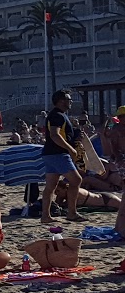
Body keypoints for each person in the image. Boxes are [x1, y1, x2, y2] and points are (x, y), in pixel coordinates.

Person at [39, 90, 85, 225]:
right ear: (61, 101)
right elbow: (55, 135)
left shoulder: (58, 115)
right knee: (76, 180)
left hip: (50, 154)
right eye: (68, 99)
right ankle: (71, 213)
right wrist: (70, 149)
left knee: (50, 186)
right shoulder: (57, 115)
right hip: (58, 153)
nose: (70, 102)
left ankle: (45, 215)